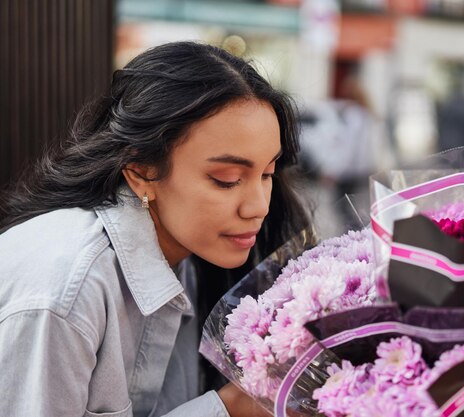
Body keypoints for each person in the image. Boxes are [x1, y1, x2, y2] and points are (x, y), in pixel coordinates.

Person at [0, 41, 309, 416]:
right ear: (142, 172)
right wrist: (230, 409)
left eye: (266, 174)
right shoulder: (64, 290)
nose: (258, 206)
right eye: (226, 179)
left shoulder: (190, 257)